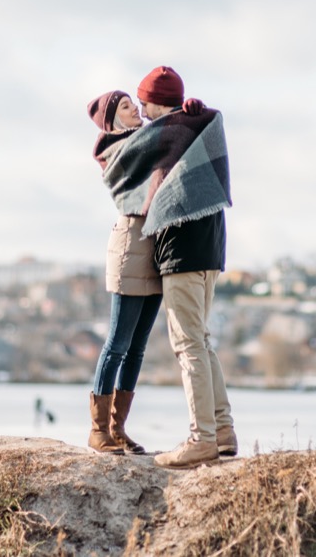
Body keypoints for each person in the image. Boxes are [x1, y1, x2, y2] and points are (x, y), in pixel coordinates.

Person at [102, 65, 237, 468]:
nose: (141, 112)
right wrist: (192, 110)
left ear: (159, 102)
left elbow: (119, 162)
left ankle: (201, 439)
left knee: (188, 344)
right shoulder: (193, 126)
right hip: (211, 249)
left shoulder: (170, 134)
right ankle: (223, 432)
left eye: (144, 103)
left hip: (184, 251)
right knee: (202, 340)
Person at [85, 90, 164, 454]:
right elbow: (139, 190)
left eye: (135, 104)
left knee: (137, 349)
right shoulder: (114, 152)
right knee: (117, 344)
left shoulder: (149, 140)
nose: (136, 110)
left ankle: (118, 429)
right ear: (113, 119)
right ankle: (98, 429)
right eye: (127, 107)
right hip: (130, 249)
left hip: (154, 252)